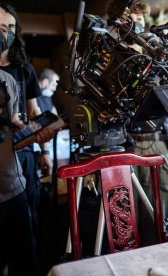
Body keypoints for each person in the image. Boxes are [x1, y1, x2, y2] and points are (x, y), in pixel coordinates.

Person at [121, 0, 168, 220]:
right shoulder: (113, 61)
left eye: (140, 20)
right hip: (129, 143)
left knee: (162, 206)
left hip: (159, 139)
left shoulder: (156, 53)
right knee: (130, 211)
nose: (137, 25)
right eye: (131, 20)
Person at [0, 2, 53, 236]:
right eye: (1, 28)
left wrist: (45, 151)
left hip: (24, 154)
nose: (7, 34)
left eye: (11, 28)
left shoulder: (24, 69)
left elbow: (34, 113)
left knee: (28, 217)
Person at [0, 68, 37, 275]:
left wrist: (34, 133)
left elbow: (13, 123)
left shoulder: (8, 79)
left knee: (25, 262)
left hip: (14, 188)